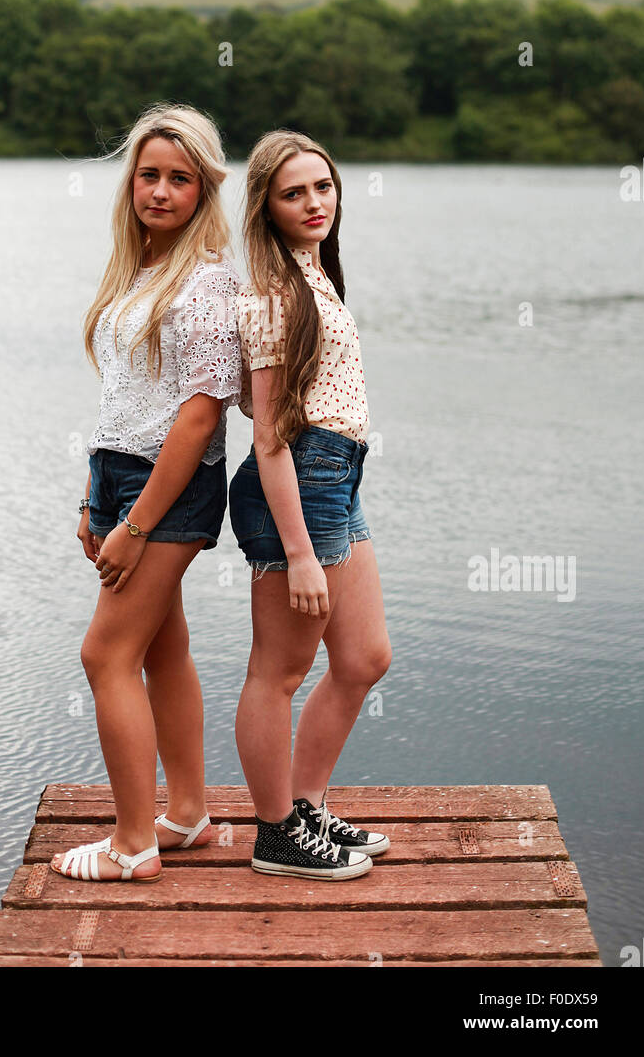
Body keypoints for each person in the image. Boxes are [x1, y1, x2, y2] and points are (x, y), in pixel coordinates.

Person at [51, 104, 242, 883]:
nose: (160, 191)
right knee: (164, 648)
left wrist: (134, 522)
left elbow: (197, 420)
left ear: (204, 188)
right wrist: (95, 502)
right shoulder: (142, 270)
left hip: (171, 486)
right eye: (149, 174)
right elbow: (126, 399)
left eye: (179, 178)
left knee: (105, 654)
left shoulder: (206, 284)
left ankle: (133, 845)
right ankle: (186, 815)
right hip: (122, 476)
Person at [229, 129, 393, 879]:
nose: (312, 202)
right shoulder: (268, 293)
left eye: (322, 186)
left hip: (337, 476)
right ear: (265, 204)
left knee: (362, 658)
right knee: (279, 671)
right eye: (293, 192)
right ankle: (274, 835)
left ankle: (305, 806)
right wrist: (297, 551)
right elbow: (266, 437)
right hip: (297, 482)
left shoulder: (314, 271)